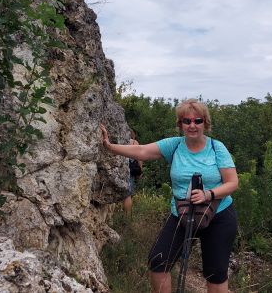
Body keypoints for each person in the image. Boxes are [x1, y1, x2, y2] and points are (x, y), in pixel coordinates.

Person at [100, 99, 238, 293]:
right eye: (186, 121)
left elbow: (232, 182)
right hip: (181, 213)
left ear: (205, 123)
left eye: (197, 121)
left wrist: (209, 194)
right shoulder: (174, 145)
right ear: (180, 124)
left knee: (215, 275)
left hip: (219, 215)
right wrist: (109, 146)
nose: (192, 125)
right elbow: (142, 151)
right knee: (158, 261)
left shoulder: (217, 148)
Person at [123, 130, 144, 216]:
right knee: (128, 194)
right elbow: (140, 157)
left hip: (118, 169)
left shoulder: (121, 141)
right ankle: (127, 216)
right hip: (129, 171)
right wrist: (140, 170)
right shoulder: (134, 142)